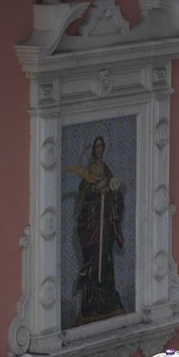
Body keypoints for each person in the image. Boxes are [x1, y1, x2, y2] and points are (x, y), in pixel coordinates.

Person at [67, 135, 127, 323]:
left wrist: (113, 193)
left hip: (105, 222)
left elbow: (116, 192)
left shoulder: (106, 169)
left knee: (106, 258)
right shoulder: (89, 171)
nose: (99, 149)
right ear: (93, 149)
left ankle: (107, 298)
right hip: (93, 222)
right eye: (97, 146)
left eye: (102, 146)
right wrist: (95, 189)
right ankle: (90, 302)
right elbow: (83, 197)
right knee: (93, 258)